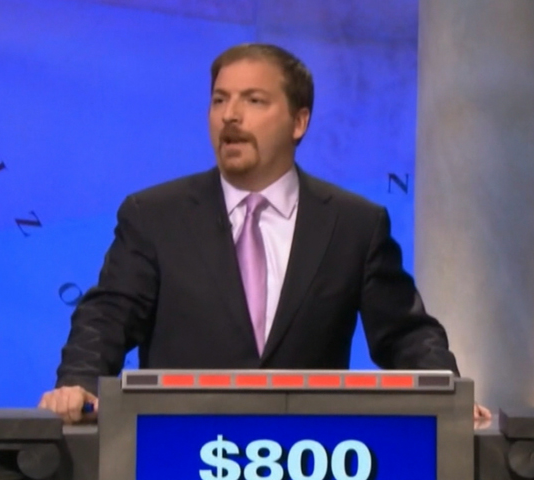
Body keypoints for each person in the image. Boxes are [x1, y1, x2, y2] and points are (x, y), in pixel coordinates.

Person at [39, 43, 491, 424]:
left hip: (306, 454)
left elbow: (405, 334)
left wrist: (449, 397)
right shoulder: (155, 216)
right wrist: (78, 382)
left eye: (253, 101)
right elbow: (108, 316)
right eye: (219, 100)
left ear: (299, 122)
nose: (230, 116)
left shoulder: (354, 224)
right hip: (182, 450)